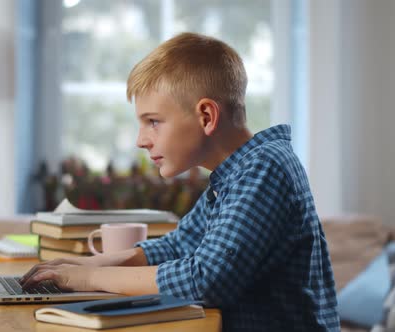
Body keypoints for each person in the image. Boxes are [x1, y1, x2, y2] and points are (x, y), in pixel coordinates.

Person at [20, 32, 339, 331]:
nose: (141, 140)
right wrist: (82, 264)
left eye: (153, 122)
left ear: (207, 117)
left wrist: (89, 279)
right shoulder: (234, 174)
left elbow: (206, 279)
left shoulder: (265, 168)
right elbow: (180, 244)